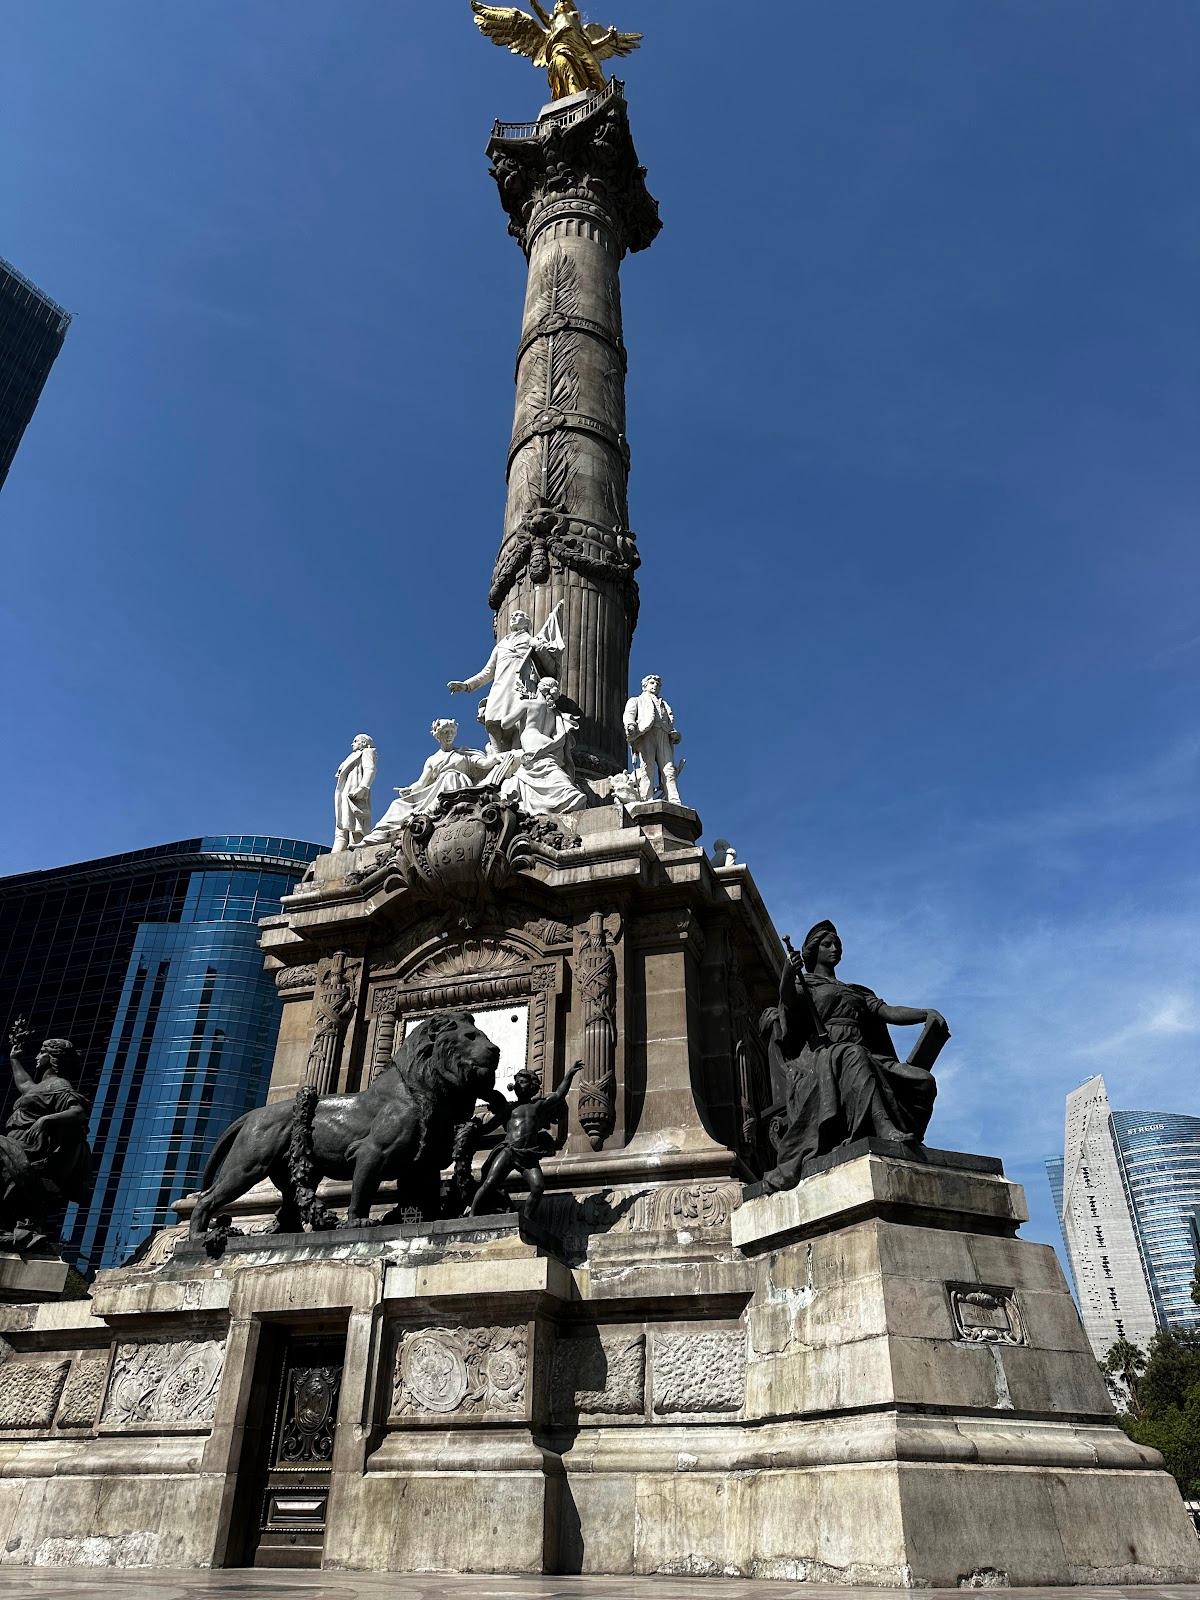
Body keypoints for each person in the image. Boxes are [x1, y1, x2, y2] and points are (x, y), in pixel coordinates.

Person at [761, 921, 947, 1192]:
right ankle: (884, 1130)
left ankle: (910, 1139)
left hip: (865, 1056)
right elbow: (787, 1003)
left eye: (837, 944)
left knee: (923, 1080)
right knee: (853, 1055)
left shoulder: (856, 991)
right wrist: (788, 973)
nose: (834, 948)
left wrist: (924, 1013)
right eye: (827, 944)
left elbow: (888, 1011)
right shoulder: (806, 985)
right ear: (813, 951)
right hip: (822, 1058)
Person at [0, 1022, 92, 1247]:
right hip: (15, 1143)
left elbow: (78, 1111)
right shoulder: (41, 1087)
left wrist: (46, 1119)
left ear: (52, 1058)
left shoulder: (60, 1085)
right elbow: (25, 1084)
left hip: (29, 1147)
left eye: (42, 1052)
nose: (37, 1056)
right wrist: (14, 1059)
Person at [470, 1061, 584, 1217]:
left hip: (528, 1155)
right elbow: (490, 1126)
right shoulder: (509, 1108)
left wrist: (570, 1074)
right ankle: (472, 1215)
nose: (518, 1085)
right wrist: (473, 1129)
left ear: (532, 1086)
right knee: (490, 1183)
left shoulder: (537, 1107)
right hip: (509, 1151)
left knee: (538, 1187)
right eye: (517, 1082)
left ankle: (526, 1219)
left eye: (522, 1082)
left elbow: (558, 1095)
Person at [449, 603, 565, 754]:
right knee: (492, 720)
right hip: (500, 686)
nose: (513, 617)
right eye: (512, 615)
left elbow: (551, 669)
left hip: (521, 686)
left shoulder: (532, 641)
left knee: (517, 723)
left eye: (518, 615)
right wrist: (466, 685)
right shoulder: (501, 645)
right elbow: (488, 672)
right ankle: (496, 758)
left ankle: (516, 756)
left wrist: (539, 648)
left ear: (527, 622)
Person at [360, 720, 493, 845]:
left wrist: (497, 758)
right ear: (438, 735)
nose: (449, 735)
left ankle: (430, 811)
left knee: (450, 776)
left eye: (452, 732)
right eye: (446, 732)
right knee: (397, 804)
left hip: (459, 788)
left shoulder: (463, 754)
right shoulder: (432, 760)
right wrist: (409, 789)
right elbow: (421, 783)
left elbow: (483, 763)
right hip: (438, 790)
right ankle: (378, 835)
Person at [512, 677, 588, 816]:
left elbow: (505, 723)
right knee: (549, 766)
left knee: (538, 767)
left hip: (531, 738)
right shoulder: (554, 713)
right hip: (549, 742)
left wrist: (518, 703)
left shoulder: (528, 704)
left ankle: (566, 796)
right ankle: (567, 792)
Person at [623, 673, 682, 803]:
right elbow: (629, 714)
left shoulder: (664, 704)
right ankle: (647, 797)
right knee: (647, 765)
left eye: (658, 684)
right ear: (645, 686)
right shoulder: (636, 700)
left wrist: (674, 733)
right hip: (645, 732)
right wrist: (630, 725)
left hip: (663, 734)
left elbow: (669, 721)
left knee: (668, 768)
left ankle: (674, 799)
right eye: (652, 683)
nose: (655, 686)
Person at [333, 733, 377, 851]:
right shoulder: (351, 757)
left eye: (356, 741)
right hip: (345, 793)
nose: (352, 743)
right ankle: (336, 851)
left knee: (356, 825)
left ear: (363, 743)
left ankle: (356, 850)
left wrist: (363, 787)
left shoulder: (367, 752)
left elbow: (370, 770)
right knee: (342, 824)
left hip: (355, 792)